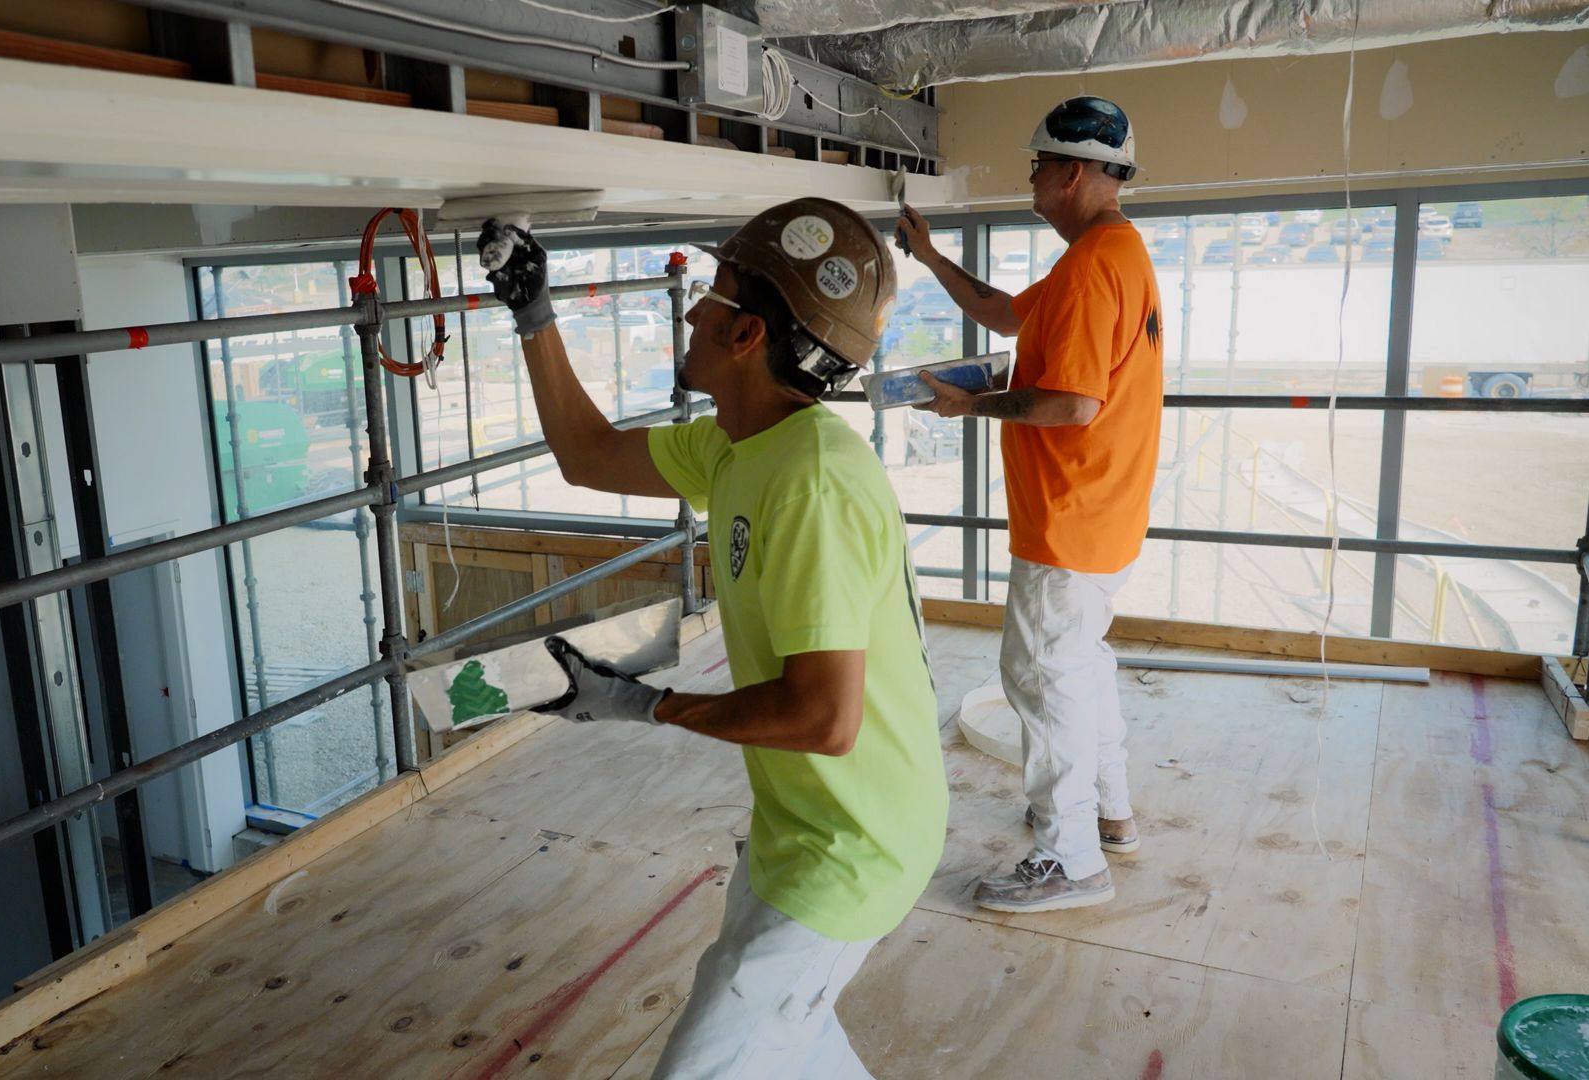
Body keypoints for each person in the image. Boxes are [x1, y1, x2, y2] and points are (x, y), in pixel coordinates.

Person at [477, 198, 946, 1079]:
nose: (693, 308)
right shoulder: (741, 445)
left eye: (716, 294)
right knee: (793, 1041)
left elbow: (824, 719)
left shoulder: (809, 482)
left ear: (746, 336)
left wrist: (646, 706)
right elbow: (588, 454)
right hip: (801, 827)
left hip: (854, 848)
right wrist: (533, 313)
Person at [894, 95, 1163, 914]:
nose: (1032, 181)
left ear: (1071, 173)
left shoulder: (1089, 269)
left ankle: (1070, 858)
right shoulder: (1113, 252)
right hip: (1106, 513)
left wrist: (965, 406)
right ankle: (1108, 815)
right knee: (1081, 669)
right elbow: (1010, 316)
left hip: (1070, 517)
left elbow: (1072, 404)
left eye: (1039, 167)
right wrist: (932, 260)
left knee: (1041, 678)